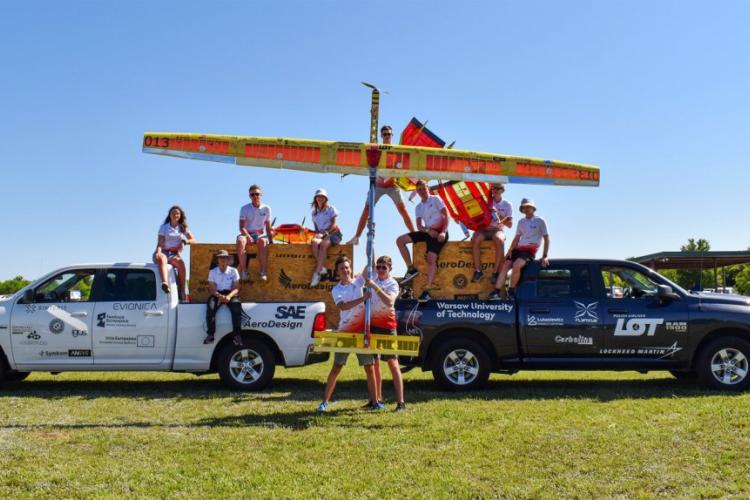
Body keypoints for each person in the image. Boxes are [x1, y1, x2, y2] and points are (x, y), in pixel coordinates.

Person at [317, 256, 379, 412]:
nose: (345, 270)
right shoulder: (336, 289)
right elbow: (343, 307)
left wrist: (370, 236)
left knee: (369, 367)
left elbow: (372, 264)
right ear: (337, 272)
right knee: (337, 367)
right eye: (342, 268)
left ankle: (375, 402)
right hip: (344, 332)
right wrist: (362, 299)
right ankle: (324, 402)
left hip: (361, 331)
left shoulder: (358, 282)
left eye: (347, 267)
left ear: (350, 269)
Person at [346, 125, 415, 245]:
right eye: (385, 134)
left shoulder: (397, 150)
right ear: (381, 136)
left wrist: (393, 177)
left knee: (403, 209)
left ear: (392, 135)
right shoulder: (376, 150)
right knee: (366, 209)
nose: (387, 136)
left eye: (389, 134)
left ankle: (415, 234)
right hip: (377, 185)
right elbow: (369, 165)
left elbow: (401, 168)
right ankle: (357, 237)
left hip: (392, 185)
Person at [395, 180, 449, 302]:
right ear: (417, 192)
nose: (421, 191)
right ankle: (410, 268)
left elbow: (446, 215)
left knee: (431, 258)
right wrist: (427, 230)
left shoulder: (435, 199)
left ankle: (427, 291)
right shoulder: (418, 207)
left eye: (423, 188)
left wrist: (443, 232)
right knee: (400, 240)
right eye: (419, 189)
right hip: (428, 232)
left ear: (427, 188)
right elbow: (419, 225)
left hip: (440, 232)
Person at [364, 255, 406, 412]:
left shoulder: (392, 283)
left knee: (393, 363)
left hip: (388, 327)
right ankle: (376, 399)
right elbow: (370, 256)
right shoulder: (373, 276)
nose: (380, 270)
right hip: (372, 325)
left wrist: (375, 287)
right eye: (378, 267)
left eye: (384, 268)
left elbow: (390, 301)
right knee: (374, 363)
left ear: (390, 269)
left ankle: (400, 403)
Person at [489, 198, 549, 300]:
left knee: (517, 265)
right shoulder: (521, 221)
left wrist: (545, 256)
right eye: (524, 207)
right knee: (505, 266)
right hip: (517, 249)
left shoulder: (540, 221)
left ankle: (511, 291)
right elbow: (517, 238)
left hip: (529, 251)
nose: (526, 209)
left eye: (528, 207)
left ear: (533, 208)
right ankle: (496, 292)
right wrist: (509, 251)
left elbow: (546, 238)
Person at [471, 183, 513, 283]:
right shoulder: (486, 201)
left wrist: (498, 214)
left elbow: (510, 225)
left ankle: (495, 273)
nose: (495, 190)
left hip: (497, 230)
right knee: (475, 239)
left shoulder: (507, 204)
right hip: (484, 229)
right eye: (494, 188)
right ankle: (478, 271)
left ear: (502, 190)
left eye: (498, 188)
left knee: (499, 240)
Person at [153, 205, 195, 300]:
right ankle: (165, 283)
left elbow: (193, 240)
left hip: (173, 254)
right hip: (163, 251)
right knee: (163, 259)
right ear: (170, 215)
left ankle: (182, 291)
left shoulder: (183, 228)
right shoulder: (164, 227)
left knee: (181, 264)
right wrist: (158, 253)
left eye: (177, 213)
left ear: (180, 215)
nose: (175, 215)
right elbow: (160, 243)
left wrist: (184, 241)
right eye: (173, 213)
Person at [204, 250, 242, 345]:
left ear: (228, 259)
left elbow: (237, 288)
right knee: (211, 308)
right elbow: (212, 289)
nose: (223, 259)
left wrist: (229, 296)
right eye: (221, 257)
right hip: (217, 293)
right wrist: (220, 296)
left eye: (225, 257)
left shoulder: (234, 271)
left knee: (237, 308)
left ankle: (237, 335)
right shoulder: (212, 272)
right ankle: (211, 334)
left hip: (231, 293)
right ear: (218, 260)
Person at [236, 184, 273, 282]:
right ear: (249, 196)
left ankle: (263, 272)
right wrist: (248, 236)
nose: (255, 196)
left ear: (261, 195)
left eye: (257, 194)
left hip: (260, 234)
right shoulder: (244, 208)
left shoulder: (267, 208)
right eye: (252, 195)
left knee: (263, 242)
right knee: (240, 241)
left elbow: (268, 227)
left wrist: (271, 241)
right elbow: (241, 227)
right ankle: (244, 271)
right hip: (246, 233)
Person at [309, 188, 342, 287]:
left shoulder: (331, 208)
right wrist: (317, 235)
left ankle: (317, 273)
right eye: (318, 196)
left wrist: (324, 234)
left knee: (323, 245)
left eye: (322, 197)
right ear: (315, 198)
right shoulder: (314, 213)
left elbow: (334, 225)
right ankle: (321, 267)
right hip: (323, 234)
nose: (320, 198)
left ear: (325, 198)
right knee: (314, 242)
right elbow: (316, 229)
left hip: (334, 233)